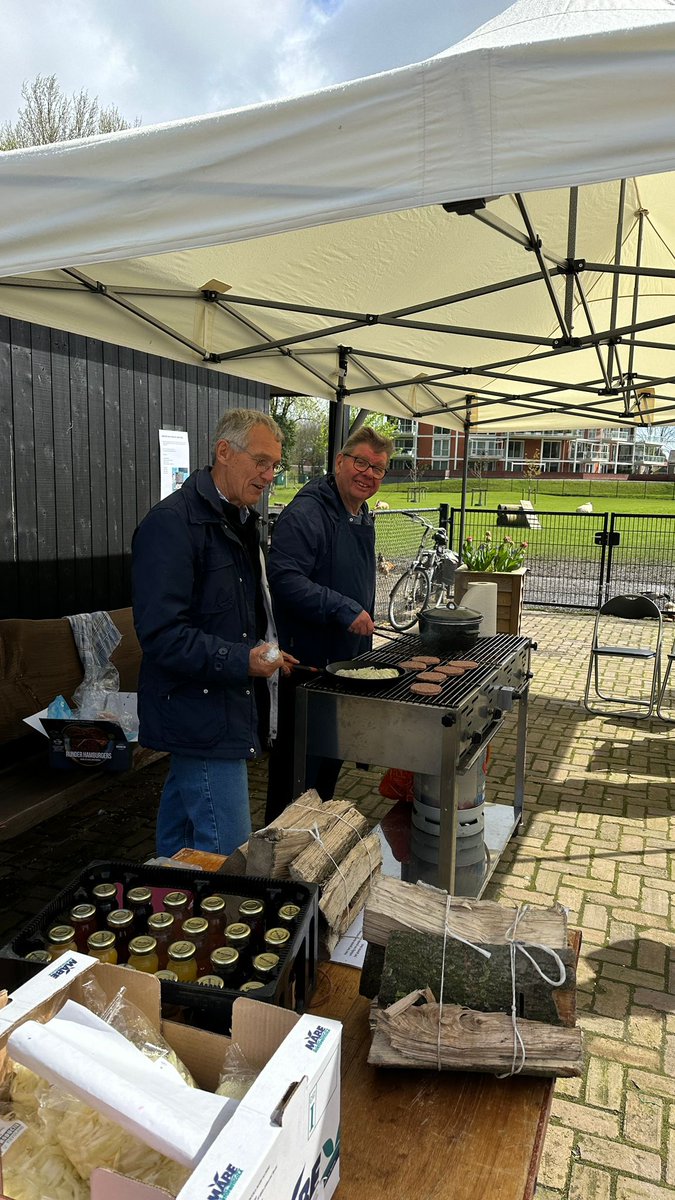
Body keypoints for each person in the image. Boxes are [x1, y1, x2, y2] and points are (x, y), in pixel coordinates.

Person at [132, 408, 296, 857]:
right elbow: (162, 634)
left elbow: (234, 616)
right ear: (224, 452)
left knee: (179, 846)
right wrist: (243, 660)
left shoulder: (241, 520)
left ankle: (167, 899)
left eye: (274, 465)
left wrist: (263, 649)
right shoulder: (172, 523)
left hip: (218, 711)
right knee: (228, 855)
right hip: (199, 716)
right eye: (260, 462)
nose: (269, 476)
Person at [265, 425, 393, 822]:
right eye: (361, 462)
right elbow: (284, 579)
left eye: (377, 468)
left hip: (345, 668)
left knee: (326, 775)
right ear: (340, 462)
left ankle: (315, 843)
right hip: (307, 669)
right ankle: (280, 849)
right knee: (296, 781)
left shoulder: (361, 514)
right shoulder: (307, 513)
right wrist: (343, 608)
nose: (368, 474)